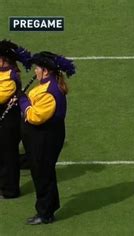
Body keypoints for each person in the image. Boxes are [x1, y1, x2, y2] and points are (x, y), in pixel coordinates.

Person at [18, 51, 75, 225]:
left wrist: (22, 101)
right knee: (42, 172)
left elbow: (35, 117)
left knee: (43, 174)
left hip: (44, 137)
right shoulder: (45, 84)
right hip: (41, 136)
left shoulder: (50, 91)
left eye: (38, 68)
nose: (35, 71)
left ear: (46, 71)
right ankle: (49, 206)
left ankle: (45, 213)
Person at [0, 39, 31, 199]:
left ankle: (10, 190)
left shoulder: (10, 77)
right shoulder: (2, 72)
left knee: (8, 156)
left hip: (9, 124)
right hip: (4, 121)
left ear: (4, 60)